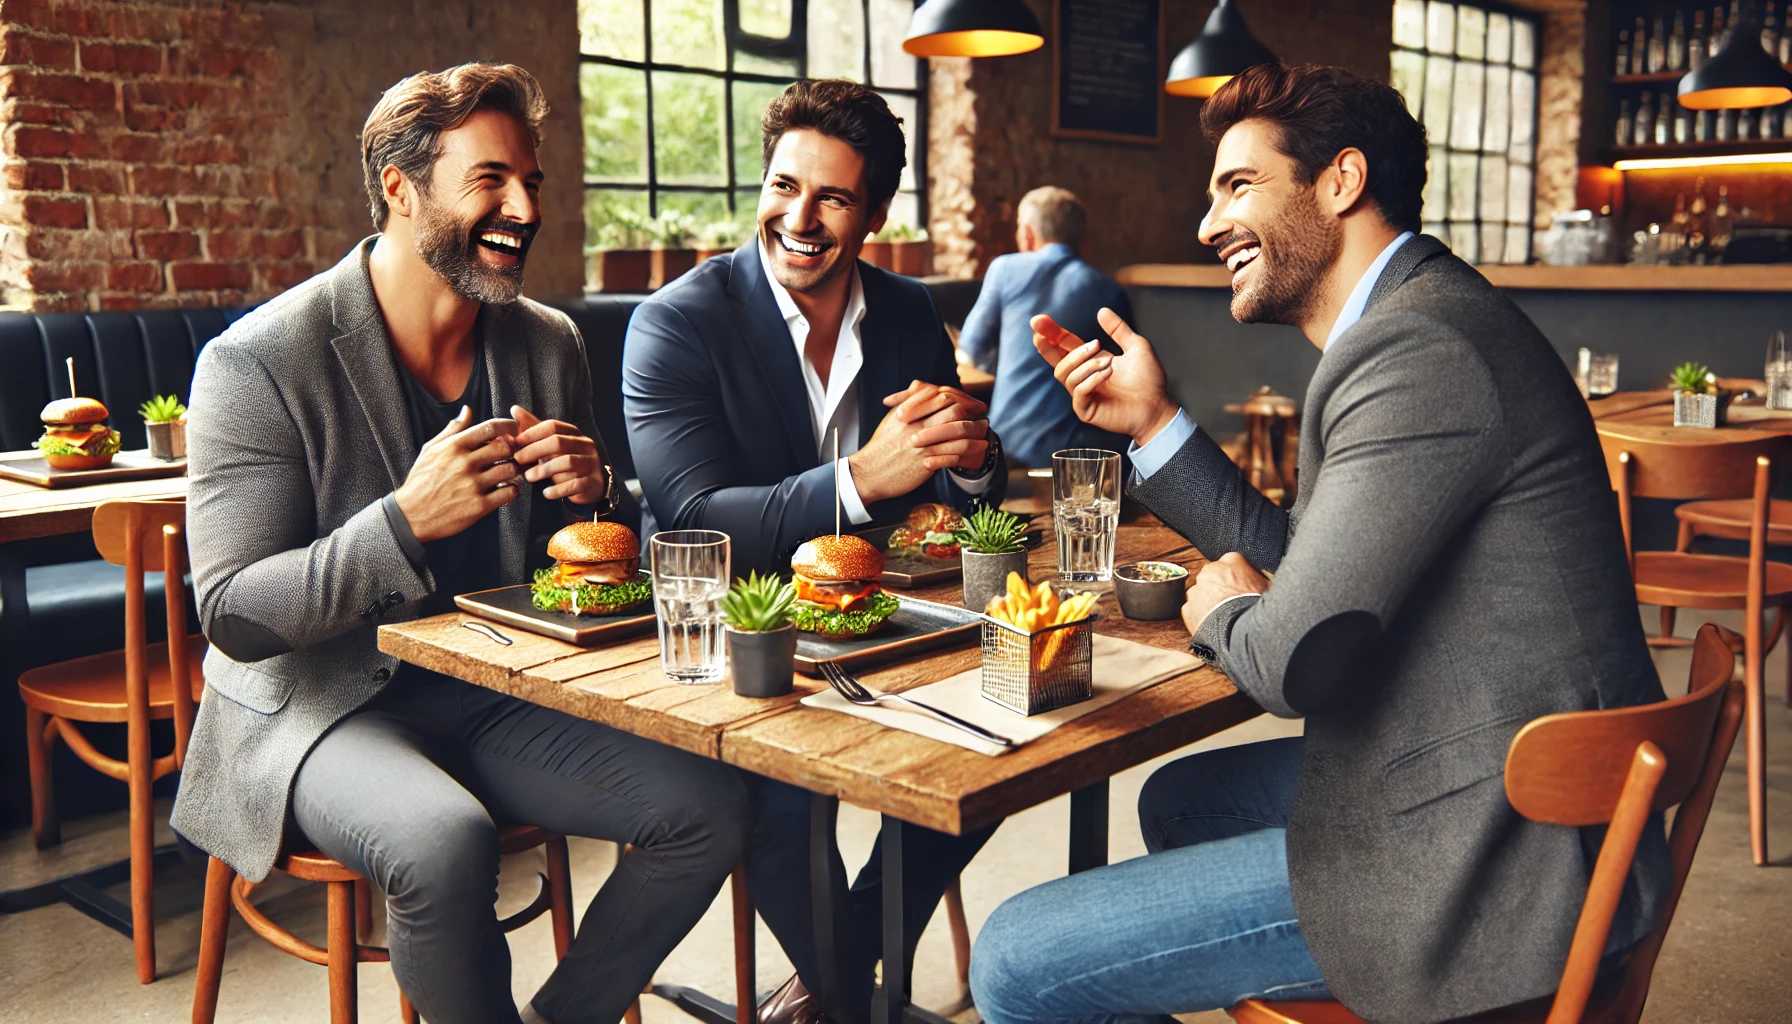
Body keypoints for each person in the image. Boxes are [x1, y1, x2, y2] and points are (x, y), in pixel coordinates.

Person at [969, 64, 1671, 1023]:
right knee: (1184, 800)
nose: (1207, 224)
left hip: (1500, 851)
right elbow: (1307, 560)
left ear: (1340, 182)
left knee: (1016, 959)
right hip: (1477, 767)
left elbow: (1289, 661)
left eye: (1237, 185)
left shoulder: (1418, 348)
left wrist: (1222, 612)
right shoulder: (1418, 317)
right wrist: (1154, 422)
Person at [170, 64, 747, 1024]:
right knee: (443, 841)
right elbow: (233, 613)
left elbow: (569, 566)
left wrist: (597, 493)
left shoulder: (547, 342)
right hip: (319, 707)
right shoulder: (256, 361)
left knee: (714, 805)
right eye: (490, 181)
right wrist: (402, 521)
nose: (523, 208)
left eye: (532, 182)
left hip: (494, 687)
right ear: (400, 190)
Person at [622, 79, 1005, 1023]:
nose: (799, 218)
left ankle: (831, 980)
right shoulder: (676, 322)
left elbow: (946, 489)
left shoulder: (911, 312)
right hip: (728, 639)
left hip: (878, 620)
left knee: (1010, 741)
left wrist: (973, 460)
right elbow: (688, 517)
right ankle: (843, 1001)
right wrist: (861, 482)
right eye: (784, 186)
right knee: (785, 802)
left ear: (872, 214)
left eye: (832, 198)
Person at [957, 185, 1133, 468]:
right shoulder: (1109, 290)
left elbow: (970, 350)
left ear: (1027, 233)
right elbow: (1122, 377)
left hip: (1008, 448)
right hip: (1081, 458)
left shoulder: (1004, 269)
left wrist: (1009, 364)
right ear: (1081, 239)